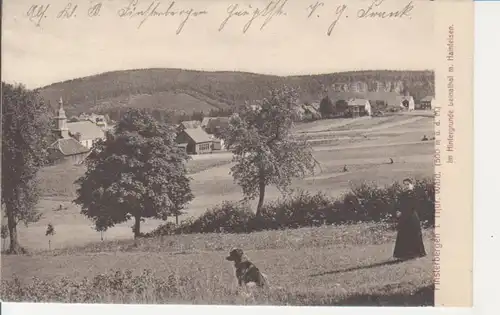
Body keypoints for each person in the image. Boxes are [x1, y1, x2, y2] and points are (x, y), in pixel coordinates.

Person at [393, 178, 426, 260]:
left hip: (412, 217)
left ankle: (416, 253)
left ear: (412, 185)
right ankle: (404, 255)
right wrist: (397, 211)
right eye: (405, 185)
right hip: (404, 218)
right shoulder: (402, 195)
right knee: (404, 235)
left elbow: (414, 206)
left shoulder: (415, 194)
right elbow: (399, 205)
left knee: (414, 234)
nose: (406, 186)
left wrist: (402, 211)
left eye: (408, 184)